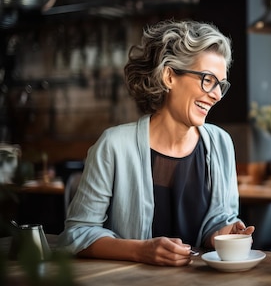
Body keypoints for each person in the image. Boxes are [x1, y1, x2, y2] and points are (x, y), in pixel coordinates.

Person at [58, 19, 254, 266]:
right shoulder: (114, 146)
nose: (216, 94)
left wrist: (221, 234)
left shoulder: (221, 143)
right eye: (207, 79)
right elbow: (76, 235)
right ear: (169, 76)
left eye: (220, 85)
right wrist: (140, 251)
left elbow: (217, 221)